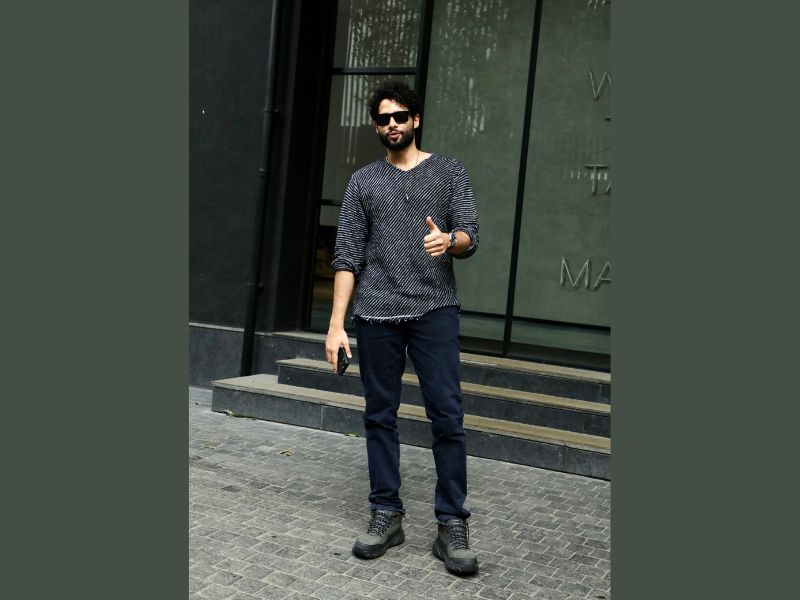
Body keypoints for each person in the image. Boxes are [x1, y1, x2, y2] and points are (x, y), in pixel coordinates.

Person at [324, 80, 480, 576]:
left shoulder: (448, 170)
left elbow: (470, 234)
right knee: (379, 416)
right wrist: (336, 325)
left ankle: (451, 524)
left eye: (399, 116)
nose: (391, 124)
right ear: (377, 126)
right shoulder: (363, 182)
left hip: (435, 310)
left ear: (416, 119)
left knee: (447, 417)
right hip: (376, 314)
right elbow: (347, 256)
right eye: (383, 118)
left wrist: (450, 241)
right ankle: (386, 514)